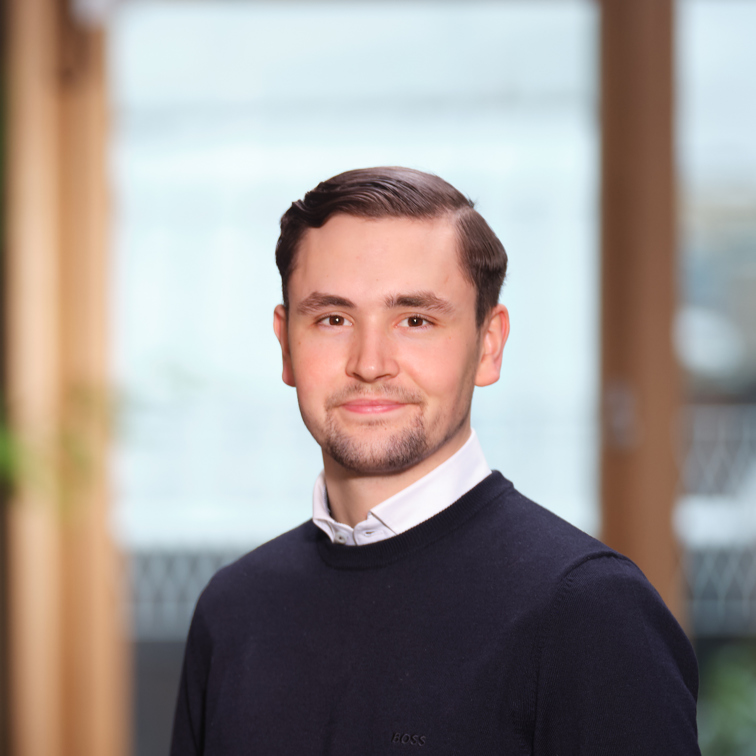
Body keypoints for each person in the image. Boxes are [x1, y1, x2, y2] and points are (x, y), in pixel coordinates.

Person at [170, 167, 700, 755]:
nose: (370, 363)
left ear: (488, 345)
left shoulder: (588, 613)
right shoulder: (233, 611)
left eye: (416, 320)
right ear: (286, 344)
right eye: (333, 319)